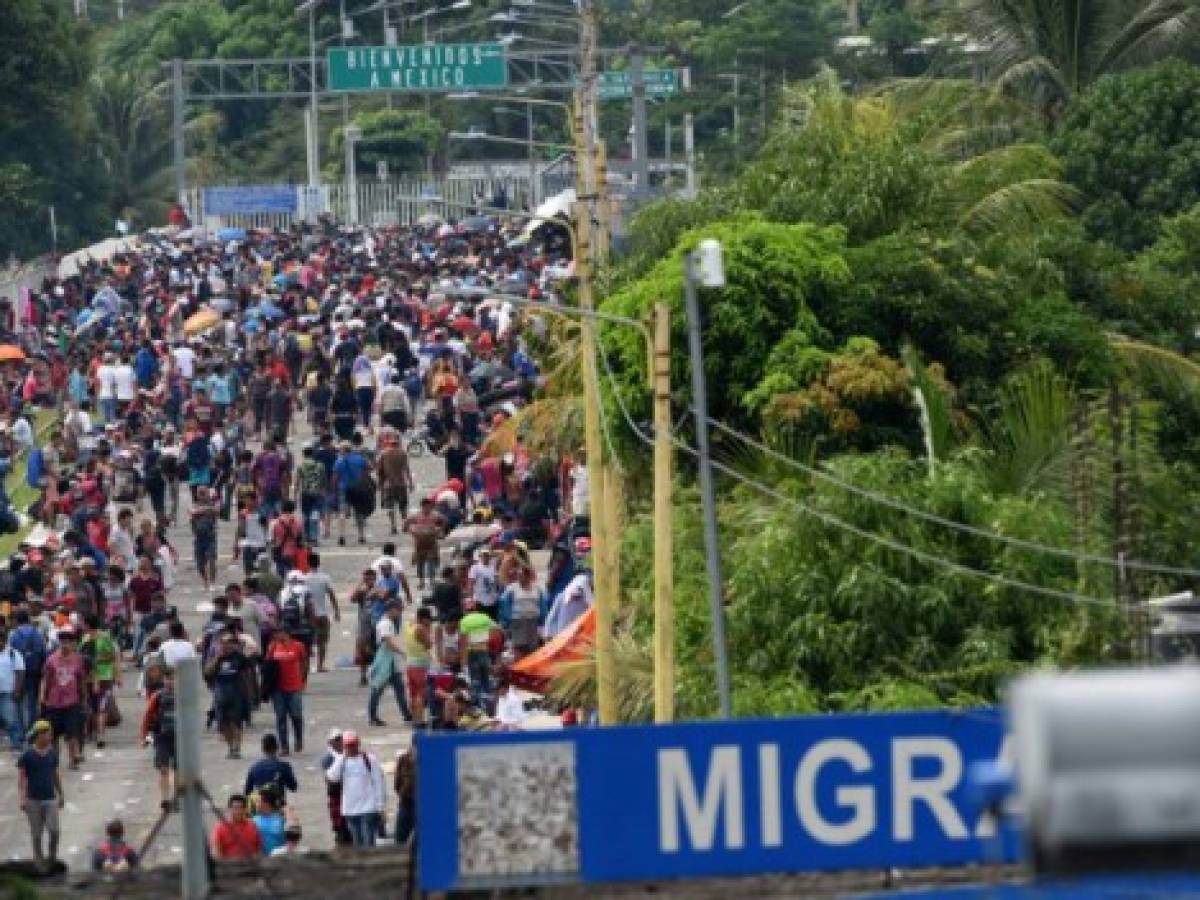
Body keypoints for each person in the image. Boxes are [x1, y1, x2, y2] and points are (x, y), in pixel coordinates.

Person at [325, 730, 384, 848]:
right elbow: (332, 776)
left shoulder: (369, 759)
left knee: (368, 842)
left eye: (353, 745)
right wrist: (342, 758)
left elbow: (378, 783)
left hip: (368, 808)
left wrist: (380, 805)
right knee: (357, 842)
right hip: (350, 810)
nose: (352, 749)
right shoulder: (342, 761)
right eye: (348, 746)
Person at [18, 720, 64, 871]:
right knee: (36, 834)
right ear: (38, 736)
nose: (49, 737)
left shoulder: (52, 753)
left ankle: (51, 857)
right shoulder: (27, 755)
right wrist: (22, 798)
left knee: (54, 831)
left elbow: (55, 774)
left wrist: (61, 793)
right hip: (33, 800)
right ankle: (39, 860)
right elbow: (22, 778)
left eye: (49, 733)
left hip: (50, 798)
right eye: (46, 734)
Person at [40, 629, 86, 769]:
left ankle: (73, 760)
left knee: (72, 733)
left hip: (72, 702)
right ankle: (54, 760)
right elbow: (46, 679)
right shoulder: (51, 660)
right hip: (54, 703)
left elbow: (81, 680)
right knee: (53, 735)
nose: (65, 645)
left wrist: (83, 699)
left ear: (72, 644)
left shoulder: (78, 660)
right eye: (63, 642)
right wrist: (42, 696)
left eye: (68, 642)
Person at [205, 630, 251, 759]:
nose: (227, 646)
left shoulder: (238, 656)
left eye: (229, 642)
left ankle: (236, 747)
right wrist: (217, 658)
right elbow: (207, 672)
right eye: (224, 643)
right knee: (223, 724)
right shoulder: (216, 657)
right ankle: (230, 746)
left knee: (236, 722)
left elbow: (247, 671)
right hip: (220, 692)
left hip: (236, 691)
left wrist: (248, 693)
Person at [264, 627, 307, 755]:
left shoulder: (298, 646)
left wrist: (303, 679)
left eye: (279, 633)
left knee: (296, 715)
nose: (277, 635)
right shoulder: (273, 647)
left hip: (294, 687)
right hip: (278, 688)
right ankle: (284, 746)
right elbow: (268, 664)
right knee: (281, 717)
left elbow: (304, 662)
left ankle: (299, 739)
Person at [367, 601, 411, 727]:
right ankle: (373, 716)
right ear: (391, 609)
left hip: (391, 661)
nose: (399, 613)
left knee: (399, 689)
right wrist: (402, 652)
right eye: (398, 610)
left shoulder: (388, 623)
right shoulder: (385, 624)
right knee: (378, 689)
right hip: (386, 661)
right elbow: (388, 642)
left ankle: (407, 715)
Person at [139, 669, 178, 810]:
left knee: (178, 769)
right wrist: (144, 737)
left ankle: (176, 798)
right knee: (163, 769)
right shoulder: (157, 696)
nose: (170, 682)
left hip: (180, 738)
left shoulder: (184, 696)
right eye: (168, 679)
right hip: (161, 736)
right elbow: (147, 717)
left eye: (173, 679)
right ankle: (165, 799)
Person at [80, 615, 120, 749]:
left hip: (101, 676)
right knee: (95, 706)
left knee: (98, 706)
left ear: (87, 624)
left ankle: (98, 734)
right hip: (94, 677)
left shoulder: (102, 637)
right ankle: (95, 733)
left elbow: (112, 656)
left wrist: (97, 660)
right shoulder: (87, 638)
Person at [303, 553, 340, 672]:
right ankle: (320, 665)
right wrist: (336, 611)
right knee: (322, 642)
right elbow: (331, 595)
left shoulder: (304, 578)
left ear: (308, 563)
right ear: (319, 563)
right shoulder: (325, 578)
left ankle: (307, 665)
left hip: (309, 615)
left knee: (308, 642)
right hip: (322, 614)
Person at [376, 432, 414, 536]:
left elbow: (379, 471)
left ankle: (393, 526)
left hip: (388, 485)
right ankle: (404, 524)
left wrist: (379, 485)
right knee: (403, 506)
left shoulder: (384, 454)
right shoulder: (403, 453)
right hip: (401, 483)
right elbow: (407, 469)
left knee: (390, 506)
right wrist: (410, 483)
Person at [404, 498, 445, 590]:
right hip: (420, 541)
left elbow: (443, 520)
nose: (427, 508)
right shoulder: (416, 515)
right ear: (422, 506)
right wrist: (411, 531)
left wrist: (440, 530)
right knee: (420, 563)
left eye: (429, 506)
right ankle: (421, 581)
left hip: (431, 540)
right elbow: (406, 521)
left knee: (431, 562)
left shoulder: (435, 515)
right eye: (425, 506)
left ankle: (432, 581)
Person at [320, 728, 352, 846]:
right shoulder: (328, 759)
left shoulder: (348, 754)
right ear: (331, 743)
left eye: (340, 739)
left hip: (348, 795)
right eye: (336, 740)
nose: (339, 742)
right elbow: (330, 780)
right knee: (339, 826)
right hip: (337, 795)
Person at [244, 732, 299, 800]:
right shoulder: (284, 766)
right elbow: (293, 787)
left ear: (263, 748)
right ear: (277, 747)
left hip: (261, 805)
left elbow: (247, 792)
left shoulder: (254, 768)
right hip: (278, 803)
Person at [404, 607, 434, 729]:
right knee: (421, 694)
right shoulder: (421, 629)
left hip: (410, 664)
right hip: (421, 665)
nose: (430, 623)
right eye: (428, 620)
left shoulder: (409, 625)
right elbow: (428, 644)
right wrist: (428, 631)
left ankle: (415, 718)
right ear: (422, 619)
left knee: (413, 693)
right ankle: (420, 720)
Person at [210, 794, 263, 861]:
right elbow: (216, 853)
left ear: (245, 809)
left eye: (241, 807)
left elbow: (258, 850)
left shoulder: (252, 826)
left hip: (251, 867)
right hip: (230, 868)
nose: (238, 811)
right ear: (229, 809)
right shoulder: (219, 828)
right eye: (235, 808)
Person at [0, 626, 27, 751]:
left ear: (5, 640)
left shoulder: (13, 654)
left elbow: (20, 672)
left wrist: (17, 690)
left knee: (11, 719)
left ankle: (17, 743)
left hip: (7, 692)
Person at [252, 784, 287, 856]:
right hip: (261, 861)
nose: (256, 804)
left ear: (266, 803)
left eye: (258, 801)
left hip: (280, 859)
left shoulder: (282, 820)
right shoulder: (253, 821)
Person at [393, 744, 417, 847]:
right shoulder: (403, 759)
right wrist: (403, 792)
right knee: (400, 835)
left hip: (424, 803)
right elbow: (397, 782)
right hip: (406, 802)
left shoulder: (429, 758)